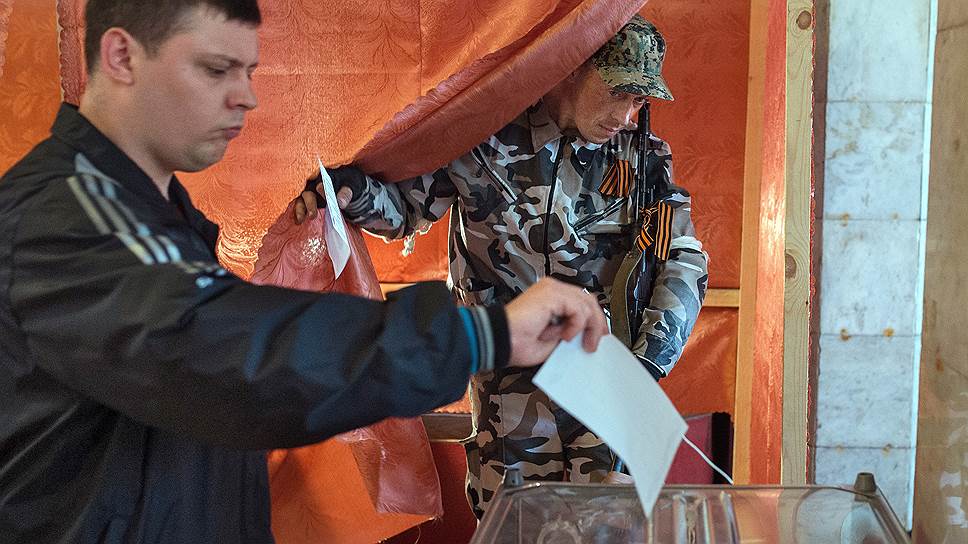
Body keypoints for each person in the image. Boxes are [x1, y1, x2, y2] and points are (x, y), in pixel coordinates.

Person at [0, 1, 609, 542]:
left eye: (249, 71)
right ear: (121, 56)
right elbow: (234, 354)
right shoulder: (69, 218)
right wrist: (481, 335)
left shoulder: (154, 216)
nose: (246, 97)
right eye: (216, 69)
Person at [293, 15, 708, 518]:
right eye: (618, 92)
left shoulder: (642, 159)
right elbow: (404, 210)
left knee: (605, 529)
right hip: (508, 400)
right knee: (509, 526)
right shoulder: (482, 134)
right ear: (573, 66)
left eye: (639, 100)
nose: (625, 115)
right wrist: (349, 193)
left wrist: (645, 367)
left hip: (605, 391)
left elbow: (682, 259)